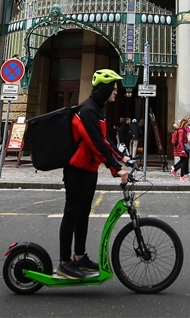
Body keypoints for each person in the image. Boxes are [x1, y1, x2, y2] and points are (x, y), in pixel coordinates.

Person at [55, 69, 130, 280]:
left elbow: (105, 140)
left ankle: (79, 258)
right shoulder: (87, 110)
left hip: (88, 170)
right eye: (114, 89)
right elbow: (95, 143)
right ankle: (64, 263)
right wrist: (115, 168)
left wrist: (122, 158)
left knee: (83, 215)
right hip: (76, 171)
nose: (116, 92)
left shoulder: (97, 110)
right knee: (71, 214)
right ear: (105, 88)